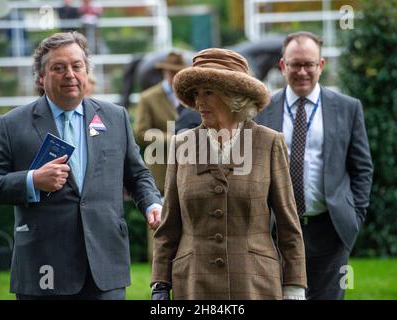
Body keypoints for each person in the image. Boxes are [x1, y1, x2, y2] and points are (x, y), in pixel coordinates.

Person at [0, 32, 162, 300]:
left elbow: (137, 174)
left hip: (105, 266)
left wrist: (152, 204)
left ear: (86, 71)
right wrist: (32, 180)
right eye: (58, 68)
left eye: (76, 66)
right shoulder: (13, 124)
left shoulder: (115, 117)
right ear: (41, 77)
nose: (70, 75)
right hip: (44, 268)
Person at [150, 48, 307, 300]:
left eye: (209, 92)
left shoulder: (268, 143)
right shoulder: (183, 145)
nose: (199, 101)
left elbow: (289, 225)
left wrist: (294, 286)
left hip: (255, 284)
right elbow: (169, 226)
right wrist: (160, 284)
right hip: (194, 284)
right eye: (196, 93)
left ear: (234, 96)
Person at [256, 31, 373, 300]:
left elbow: (362, 168)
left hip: (329, 230)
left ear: (321, 65)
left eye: (309, 64)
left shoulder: (348, 108)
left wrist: (354, 217)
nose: (302, 71)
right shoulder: (262, 110)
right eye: (295, 64)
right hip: (275, 231)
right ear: (283, 66)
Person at [134, 51, 199, 195]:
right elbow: (140, 134)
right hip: (162, 176)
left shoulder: (194, 97)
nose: (176, 76)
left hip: (191, 176)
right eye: (172, 72)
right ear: (165, 72)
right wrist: (175, 138)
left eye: (180, 72)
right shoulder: (148, 98)